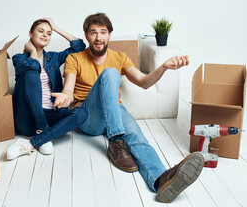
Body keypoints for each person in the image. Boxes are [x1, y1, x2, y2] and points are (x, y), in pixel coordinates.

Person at [58, 13, 204, 203]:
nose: (98, 37)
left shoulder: (120, 57)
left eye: (103, 32)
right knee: (110, 74)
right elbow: (68, 88)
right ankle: (116, 141)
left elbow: (143, 82)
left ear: (110, 35)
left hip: (113, 115)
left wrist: (164, 67)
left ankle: (161, 180)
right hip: (88, 117)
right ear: (86, 35)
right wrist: (65, 96)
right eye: (93, 33)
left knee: (137, 137)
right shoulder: (74, 58)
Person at [7, 18, 88, 160]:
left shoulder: (53, 58)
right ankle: (42, 128)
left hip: (51, 115)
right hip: (27, 119)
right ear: (31, 33)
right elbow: (33, 67)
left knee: (81, 113)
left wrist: (56, 28)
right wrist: (32, 51)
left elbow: (79, 47)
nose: (45, 35)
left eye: (49, 33)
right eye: (41, 31)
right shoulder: (18, 58)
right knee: (32, 74)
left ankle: (37, 140)